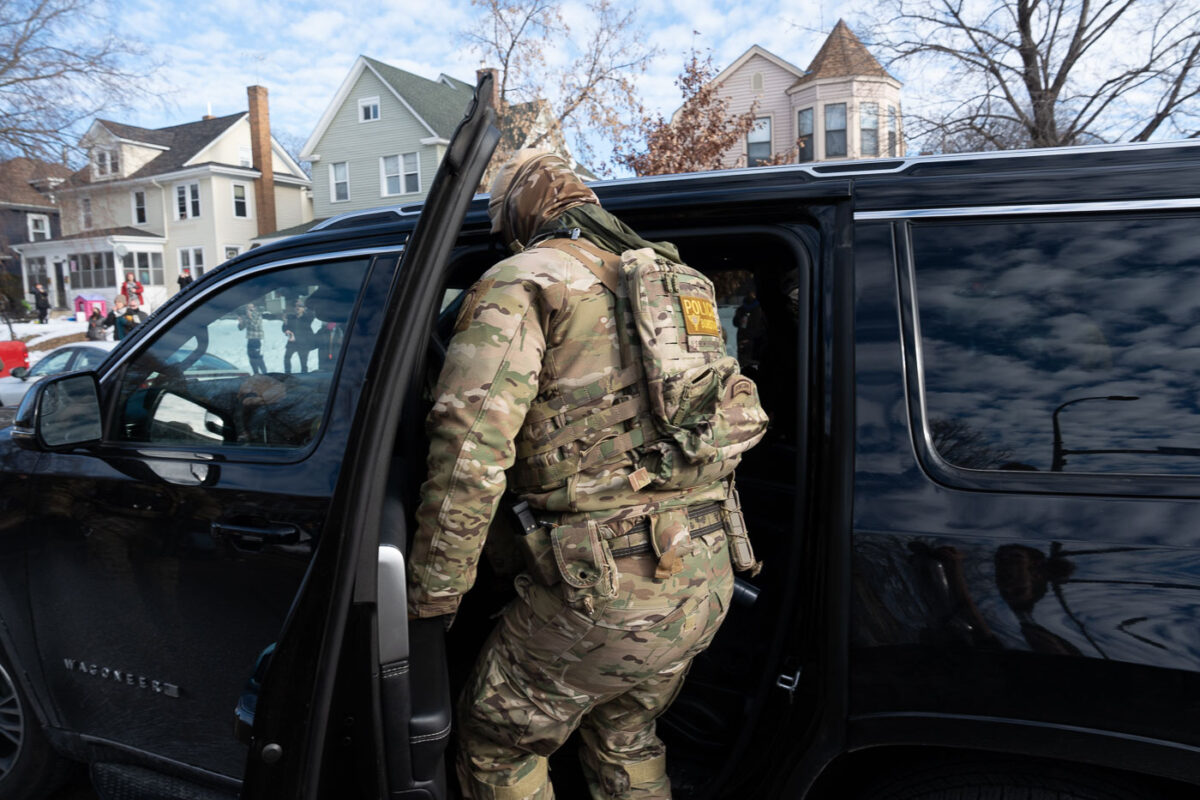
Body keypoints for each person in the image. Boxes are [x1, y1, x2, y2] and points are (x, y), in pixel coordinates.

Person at [407, 149, 766, 800]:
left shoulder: (525, 280)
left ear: (522, 211)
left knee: (499, 741)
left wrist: (435, 592)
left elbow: (469, 452)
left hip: (607, 594)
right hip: (704, 574)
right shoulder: (679, 281)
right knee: (626, 736)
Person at [282, 298, 315, 374]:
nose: (297, 308)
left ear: (303, 309)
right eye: (296, 306)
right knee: (286, 358)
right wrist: (286, 329)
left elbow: (312, 314)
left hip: (304, 343)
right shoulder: (291, 318)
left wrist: (306, 307)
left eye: (300, 306)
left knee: (303, 363)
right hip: (292, 342)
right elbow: (285, 327)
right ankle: (287, 373)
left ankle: (304, 376)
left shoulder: (307, 318)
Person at [237, 302, 269, 375]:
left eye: (251, 308)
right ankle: (256, 373)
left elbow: (256, 326)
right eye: (248, 308)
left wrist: (250, 317)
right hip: (250, 339)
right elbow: (241, 328)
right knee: (251, 359)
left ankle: (265, 374)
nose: (249, 310)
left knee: (259, 359)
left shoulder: (258, 315)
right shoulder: (246, 316)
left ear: (254, 308)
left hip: (258, 339)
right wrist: (241, 322)